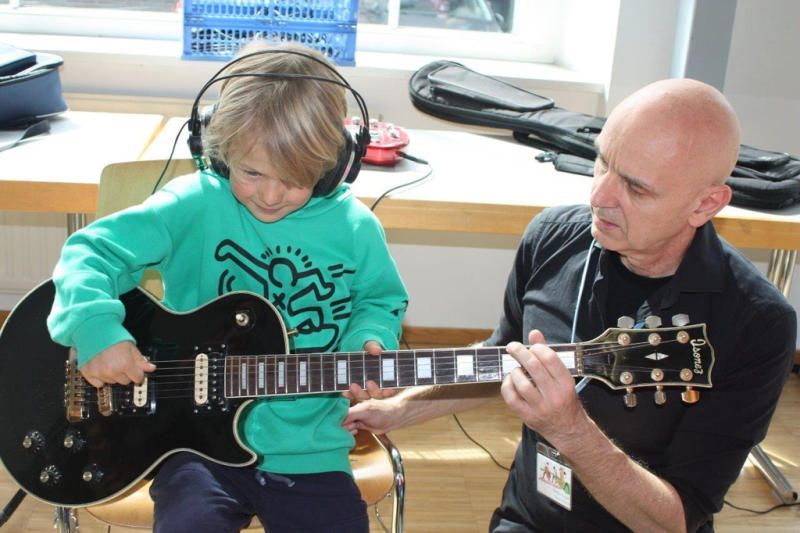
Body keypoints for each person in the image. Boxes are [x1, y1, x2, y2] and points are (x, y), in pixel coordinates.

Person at [345, 78, 797, 532]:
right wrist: (402, 409)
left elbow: (676, 522)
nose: (598, 197)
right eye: (602, 162)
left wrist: (570, 431)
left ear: (705, 205)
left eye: (636, 189)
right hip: (526, 519)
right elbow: (503, 357)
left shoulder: (757, 323)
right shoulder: (554, 236)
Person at [47, 42, 408, 533]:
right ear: (217, 151)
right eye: (252, 172)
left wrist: (368, 339)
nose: (270, 194)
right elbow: (91, 251)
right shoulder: (196, 202)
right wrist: (96, 328)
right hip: (194, 447)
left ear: (333, 166)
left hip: (311, 449)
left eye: (295, 179)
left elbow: (378, 299)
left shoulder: (354, 228)